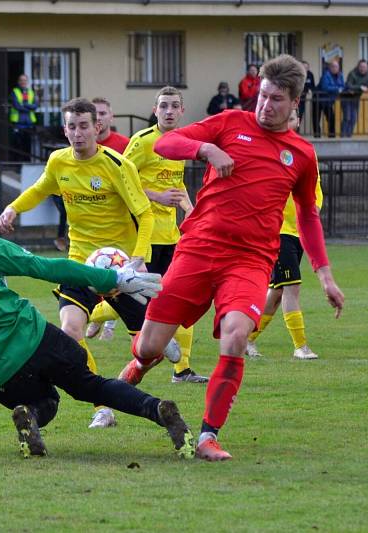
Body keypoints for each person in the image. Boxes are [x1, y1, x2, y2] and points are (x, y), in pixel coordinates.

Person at [123, 55, 344, 461]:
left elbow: (309, 216)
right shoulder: (229, 123)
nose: (265, 106)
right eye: (262, 95)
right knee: (151, 345)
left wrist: (325, 275)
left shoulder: (302, 154)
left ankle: (208, 436)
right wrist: (206, 149)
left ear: (295, 103)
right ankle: (139, 361)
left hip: (250, 260)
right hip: (198, 248)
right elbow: (164, 143)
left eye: (276, 99)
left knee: (237, 335)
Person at [0, 183, 195, 459]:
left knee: (45, 404)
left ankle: (29, 417)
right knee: (90, 385)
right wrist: (113, 278)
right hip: (31, 338)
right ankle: (157, 409)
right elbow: (43, 266)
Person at [0, 98, 166, 430]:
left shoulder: (117, 166)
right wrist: (13, 208)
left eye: (84, 125)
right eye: (71, 126)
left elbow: (145, 213)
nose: (77, 133)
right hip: (79, 261)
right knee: (70, 331)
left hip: (120, 267)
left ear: (97, 128)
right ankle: (102, 404)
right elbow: (39, 189)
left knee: (152, 350)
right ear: (65, 129)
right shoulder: (59, 162)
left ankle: (129, 374)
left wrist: (139, 256)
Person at [90, 87, 208, 384]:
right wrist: (155, 196)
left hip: (173, 236)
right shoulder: (142, 143)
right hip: (145, 236)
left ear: (182, 111)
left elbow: (177, 188)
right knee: (140, 300)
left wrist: (191, 212)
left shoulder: (183, 143)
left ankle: (182, 369)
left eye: (174, 106)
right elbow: (120, 182)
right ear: (155, 110)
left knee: (181, 298)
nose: (169, 111)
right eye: (164, 106)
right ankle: (88, 312)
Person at [246, 109, 324, 361]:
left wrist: (314, 210)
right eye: (284, 118)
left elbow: (315, 188)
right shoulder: (269, 151)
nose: (287, 123)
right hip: (276, 232)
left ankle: (247, 338)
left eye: (292, 119)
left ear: (298, 121)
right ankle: (300, 347)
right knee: (292, 287)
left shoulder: (305, 152)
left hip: (297, 232)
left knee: (277, 293)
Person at [8, 73, 38, 161]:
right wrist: (29, 107)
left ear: (27, 82)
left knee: (27, 145)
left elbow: (35, 106)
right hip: (18, 123)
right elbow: (17, 106)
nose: (23, 82)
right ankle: (17, 165)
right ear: (18, 81)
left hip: (29, 124)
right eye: (21, 80)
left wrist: (25, 104)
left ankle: (27, 163)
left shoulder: (31, 92)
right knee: (17, 145)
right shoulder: (15, 92)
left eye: (24, 80)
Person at [342, 59, 368, 138]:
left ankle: (349, 136)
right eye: (361, 66)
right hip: (346, 97)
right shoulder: (352, 73)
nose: (363, 68)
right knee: (347, 118)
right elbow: (348, 85)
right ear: (358, 67)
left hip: (356, 98)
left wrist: (356, 88)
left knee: (353, 119)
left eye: (365, 67)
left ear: (367, 67)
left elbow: (367, 87)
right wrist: (360, 87)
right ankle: (343, 136)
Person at [317, 60, 344, 138]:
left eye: (336, 66)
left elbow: (343, 85)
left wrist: (338, 88)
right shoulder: (326, 75)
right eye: (333, 66)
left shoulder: (340, 75)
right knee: (317, 120)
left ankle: (332, 137)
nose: (335, 68)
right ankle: (317, 137)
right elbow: (325, 87)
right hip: (319, 100)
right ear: (330, 67)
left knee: (331, 119)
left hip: (329, 101)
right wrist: (337, 89)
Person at [298, 60, 316, 132]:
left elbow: (312, 86)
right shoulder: (297, 75)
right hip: (296, 98)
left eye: (306, 67)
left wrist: (310, 89)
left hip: (303, 99)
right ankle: (295, 131)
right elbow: (297, 86)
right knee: (295, 116)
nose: (305, 69)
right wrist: (305, 90)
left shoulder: (310, 75)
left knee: (300, 115)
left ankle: (297, 132)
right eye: (303, 67)